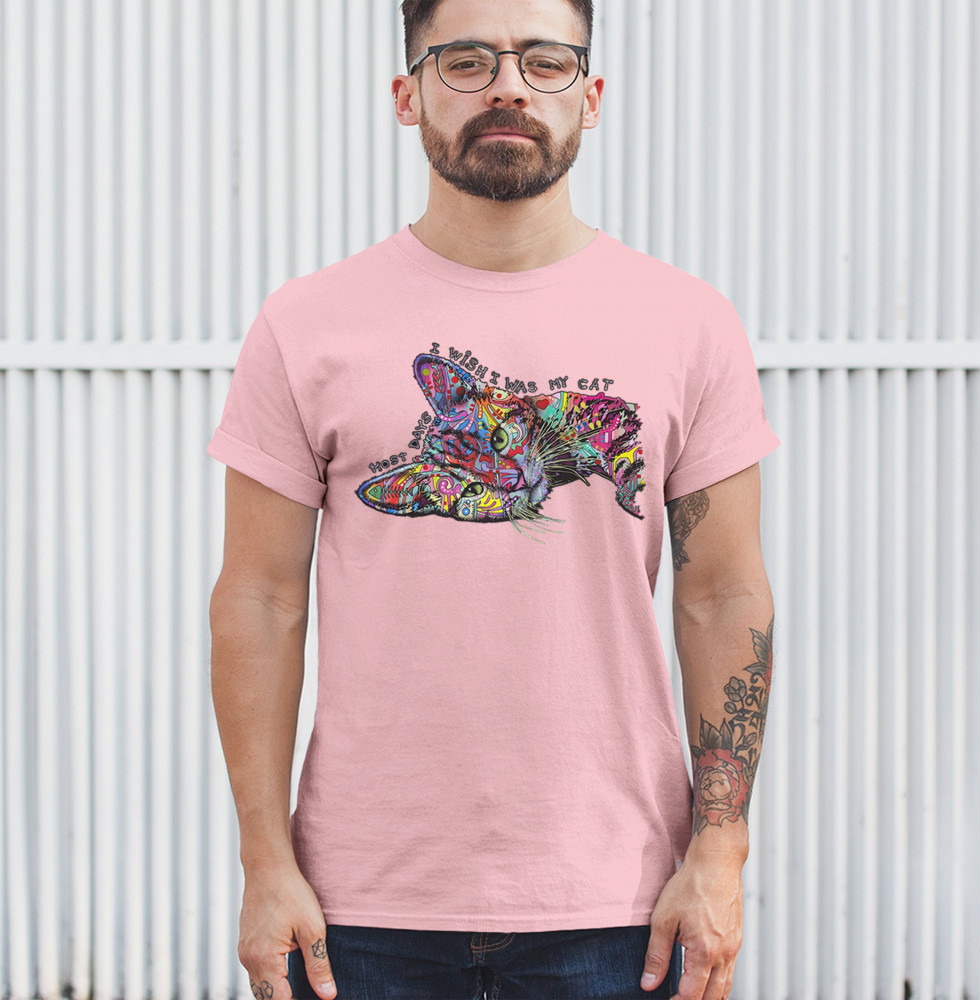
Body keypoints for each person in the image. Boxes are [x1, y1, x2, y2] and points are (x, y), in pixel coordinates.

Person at [206, 0, 779, 997]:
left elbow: (722, 595)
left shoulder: (688, 323)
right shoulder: (305, 323)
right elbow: (260, 598)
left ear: (590, 96)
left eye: (545, 61)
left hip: (617, 903)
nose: (508, 86)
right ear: (407, 95)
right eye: (465, 60)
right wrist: (264, 862)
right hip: (358, 907)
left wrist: (720, 850)